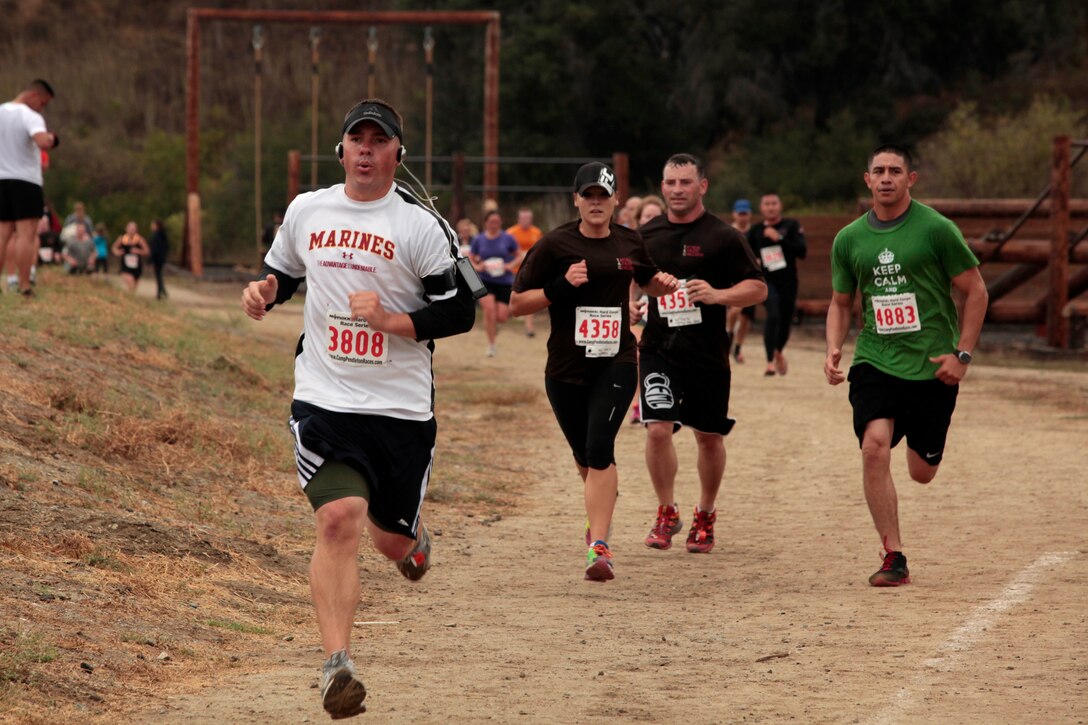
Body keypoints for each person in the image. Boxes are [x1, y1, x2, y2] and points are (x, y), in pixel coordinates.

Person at [240, 98, 476, 718]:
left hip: (399, 409)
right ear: (341, 151)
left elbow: (459, 310)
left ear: (398, 153)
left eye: (380, 140)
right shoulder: (308, 210)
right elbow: (283, 272)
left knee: (390, 542)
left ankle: (412, 538)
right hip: (325, 395)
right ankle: (336, 666)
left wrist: (395, 321)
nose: (367, 150)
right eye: (357, 140)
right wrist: (266, 291)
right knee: (338, 518)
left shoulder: (422, 227)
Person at [824, 144, 988, 587]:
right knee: (874, 445)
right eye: (878, 171)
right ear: (867, 179)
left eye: (896, 171)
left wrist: (963, 355)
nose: (886, 178)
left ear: (910, 179)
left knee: (922, 472)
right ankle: (893, 554)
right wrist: (834, 346)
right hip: (876, 358)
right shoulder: (849, 239)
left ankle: (927, 448)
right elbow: (841, 302)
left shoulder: (936, 229)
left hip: (934, 365)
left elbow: (976, 291)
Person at [510, 162, 678, 581]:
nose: (597, 203)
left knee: (600, 447)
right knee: (586, 457)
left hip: (617, 359)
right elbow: (516, 303)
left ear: (616, 200)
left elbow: (647, 278)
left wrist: (663, 284)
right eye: (589, 196)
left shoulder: (629, 240)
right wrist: (559, 287)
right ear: (577, 200)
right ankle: (598, 508)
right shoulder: (554, 245)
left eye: (604, 196)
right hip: (565, 368)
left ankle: (599, 547)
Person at [636, 154, 766, 554]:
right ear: (662, 186)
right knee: (657, 427)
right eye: (670, 182)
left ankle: (705, 513)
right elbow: (633, 279)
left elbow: (758, 289)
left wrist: (718, 295)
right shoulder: (646, 234)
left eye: (685, 183)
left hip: (707, 353)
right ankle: (666, 511)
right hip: (659, 347)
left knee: (708, 438)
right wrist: (633, 303)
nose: (677, 190)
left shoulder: (723, 237)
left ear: (702, 186)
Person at [0, 79, 58, 297]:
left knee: (3, 234)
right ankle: (24, 285)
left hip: (2, 179)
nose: (42, 108)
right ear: (34, 96)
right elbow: (42, 141)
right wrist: (53, 138)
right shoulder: (30, 116)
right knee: (27, 235)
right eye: (43, 103)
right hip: (25, 181)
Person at [747, 193, 807, 376]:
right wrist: (754, 261)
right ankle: (769, 363)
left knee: (785, 319)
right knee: (773, 315)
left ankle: (778, 351)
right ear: (761, 207)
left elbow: (802, 251)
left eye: (774, 203)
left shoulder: (791, 226)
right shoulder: (755, 231)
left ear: (780, 206)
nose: (770, 207)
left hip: (788, 282)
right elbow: (745, 254)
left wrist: (779, 239)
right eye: (767, 204)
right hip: (766, 282)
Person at [627, 194, 666, 424]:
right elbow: (628, 280)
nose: (651, 220)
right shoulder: (631, 244)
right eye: (647, 216)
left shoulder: (671, 244)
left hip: (668, 312)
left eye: (655, 216)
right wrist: (630, 304)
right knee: (638, 355)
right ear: (639, 219)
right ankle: (637, 404)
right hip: (643, 308)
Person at [470, 210, 520, 357]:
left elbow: (519, 256)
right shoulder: (478, 240)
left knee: (502, 317)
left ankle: (494, 326)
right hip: (484, 280)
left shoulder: (508, 238)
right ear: (485, 223)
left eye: (497, 222)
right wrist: (478, 267)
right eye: (491, 222)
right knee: (489, 310)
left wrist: (510, 265)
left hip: (504, 281)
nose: (494, 225)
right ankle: (491, 345)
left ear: (500, 223)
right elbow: (470, 258)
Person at [725, 198, 755, 363]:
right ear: (734, 214)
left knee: (746, 317)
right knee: (735, 310)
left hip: (751, 276)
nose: (743, 216)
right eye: (740, 213)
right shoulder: (728, 231)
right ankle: (728, 334)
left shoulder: (754, 232)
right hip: (733, 276)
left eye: (745, 213)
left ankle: (737, 347)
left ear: (749, 214)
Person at [506, 207, 543, 337]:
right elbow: (504, 251)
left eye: (528, 218)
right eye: (523, 218)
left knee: (528, 296)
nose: (526, 220)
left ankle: (529, 327)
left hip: (530, 271)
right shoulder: (511, 233)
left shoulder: (536, 232)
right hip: (513, 271)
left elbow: (541, 251)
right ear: (518, 218)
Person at [112, 220, 149, 293]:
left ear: (136, 230)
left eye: (133, 229)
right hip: (125, 266)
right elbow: (114, 248)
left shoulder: (139, 239)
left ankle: (131, 297)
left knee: (133, 288)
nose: (132, 231)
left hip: (137, 266)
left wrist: (138, 251)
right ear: (126, 229)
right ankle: (129, 298)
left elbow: (147, 251)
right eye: (130, 229)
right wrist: (117, 252)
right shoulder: (122, 239)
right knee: (130, 282)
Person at [149, 219, 169, 299]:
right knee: (159, 275)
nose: (151, 227)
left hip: (158, 259)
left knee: (158, 276)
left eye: (153, 225)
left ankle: (160, 293)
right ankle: (162, 291)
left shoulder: (157, 236)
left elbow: (155, 249)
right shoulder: (162, 235)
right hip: (160, 258)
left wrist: (151, 259)